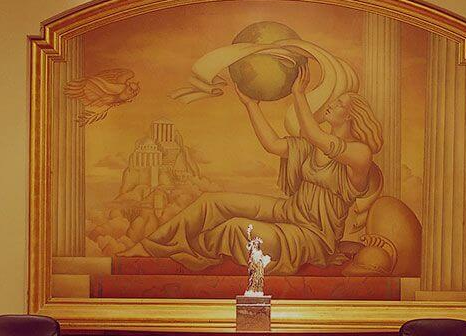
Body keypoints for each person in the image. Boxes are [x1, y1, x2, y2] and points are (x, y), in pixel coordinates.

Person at [134, 64, 385, 273]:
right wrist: (251, 104)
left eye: (339, 104)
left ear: (350, 116)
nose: (331, 104)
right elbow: (273, 144)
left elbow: (314, 134)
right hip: (288, 211)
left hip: (312, 236)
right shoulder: (311, 146)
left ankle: (185, 250)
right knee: (210, 201)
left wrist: (298, 93)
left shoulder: (360, 154)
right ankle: (148, 246)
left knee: (235, 228)